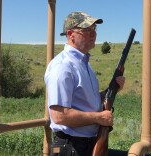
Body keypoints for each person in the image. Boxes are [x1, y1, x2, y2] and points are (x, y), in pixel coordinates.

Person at [44, 11, 126, 156]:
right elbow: (59, 116)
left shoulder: (84, 65)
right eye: (86, 30)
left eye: (94, 29)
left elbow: (88, 101)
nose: (93, 34)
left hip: (86, 145)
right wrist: (98, 117)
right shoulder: (63, 66)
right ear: (71, 35)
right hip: (71, 148)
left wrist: (111, 91)